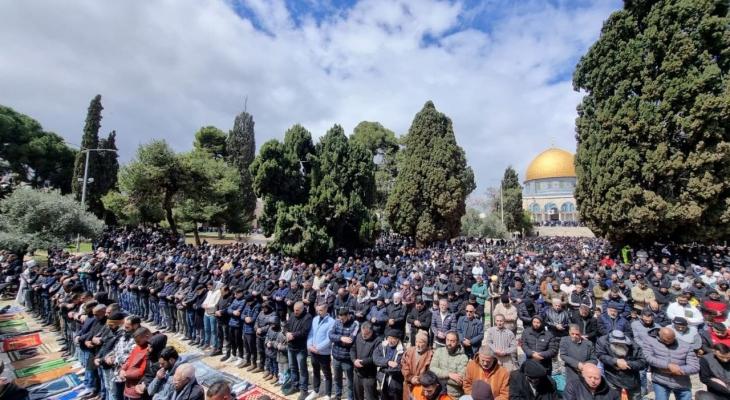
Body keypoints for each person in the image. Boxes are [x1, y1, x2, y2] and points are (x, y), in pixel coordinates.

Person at [643, 327, 700, 400]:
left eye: (671, 340)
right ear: (659, 335)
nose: (669, 342)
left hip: (681, 382)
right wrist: (668, 365)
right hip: (660, 380)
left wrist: (678, 370)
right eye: (666, 340)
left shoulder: (686, 346)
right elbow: (648, 358)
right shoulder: (650, 341)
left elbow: (695, 367)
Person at [595, 330, 646, 400]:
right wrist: (615, 361)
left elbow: (643, 362)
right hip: (612, 377)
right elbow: (600, 355)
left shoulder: (633, 346)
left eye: (621, 343)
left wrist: (627, 364)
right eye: (616, 343)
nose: (619, 344)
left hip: (632, 379)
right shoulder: (603, 341)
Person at [286, 301, 313, 400]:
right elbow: (287, 326)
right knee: (292, 367)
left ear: (302, 309)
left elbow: (304, 331)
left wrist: (293, 335)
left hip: (300, 348)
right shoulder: (292, 314)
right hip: (290, 346)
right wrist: (286, 333)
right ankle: (295, 385)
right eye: (294, 310)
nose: (295, 312)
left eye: (297, 310)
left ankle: (303, 390)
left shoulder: (308, 317)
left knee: (302, 370)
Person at [429, 331, 469, 399]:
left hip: (453, 395)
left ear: (458, 342)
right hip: (438, 393)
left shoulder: (463, 358)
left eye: (452, 341)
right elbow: (432, 369)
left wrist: (439, 378)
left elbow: (459, 381)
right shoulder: (439, 351)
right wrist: (449, 374)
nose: (449, 343)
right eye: (447, 340)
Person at [307, 304, 335, 400]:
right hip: (313, 351)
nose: (319, 312)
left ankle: (328, 394)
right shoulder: (315, 319)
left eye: (321, 310)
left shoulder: (331, 322)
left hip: (323, 353)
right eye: (317, 310)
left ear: (326, 309)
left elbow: (329, 339)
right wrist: (309, 345)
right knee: (315, 371)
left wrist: (318, 348)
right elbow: (311, 333)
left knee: (327, 374)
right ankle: (316, 391)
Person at [329, 307, 359, 400]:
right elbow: (330, 335)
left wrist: (337, 339)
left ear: (348, 316)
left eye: (343, 319)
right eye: (340, 318)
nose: (341, 321)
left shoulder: (355, 324)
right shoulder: (337, 322)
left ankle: (350, 398)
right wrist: (341, 338)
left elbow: (350, 340)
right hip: (336, 357)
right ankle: (338, 396)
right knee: (337, 380)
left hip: (347, 359)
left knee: (350, 382)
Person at [120, 327, 152, 400]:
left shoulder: (149, 350)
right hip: (129, 384)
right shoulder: (137, 347)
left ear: (147, 337)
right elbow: (129, 360)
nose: (137, 343)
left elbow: (143, 371)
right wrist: (123, 369)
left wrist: (126, 374)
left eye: (138, 341)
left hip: (138, 386)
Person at [373, 327, 405, 400]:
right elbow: (375, 358)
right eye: (389, 338)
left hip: (395, 384)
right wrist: (388, 362)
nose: (390, 341)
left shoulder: (402, 350)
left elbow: (398, 368)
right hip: (383, 381)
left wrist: (383, 369)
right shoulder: (382, 346)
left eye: (393, 339)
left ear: (398, 339)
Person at [351, 322, 379, 400]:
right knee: (357, 396)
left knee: (371, 396)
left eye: (366, 334)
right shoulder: (359, 335)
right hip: (357, 373)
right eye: (363, 333)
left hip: (369, 375)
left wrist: (362, 362)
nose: (363, 336)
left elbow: (375, 358)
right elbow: (352, 349)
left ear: (371, 332)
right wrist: (354, 360)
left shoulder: (377, 340)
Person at [401, 331, 433, 400]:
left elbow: (430, 372)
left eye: (421, 342)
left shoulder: (431, 354)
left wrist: (419, 379)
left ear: (426, 343)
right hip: (408, 384)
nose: (418, 345)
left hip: (421, 387)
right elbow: (404, 365)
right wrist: (410, 378)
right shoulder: (409, 351)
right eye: (416, 342)